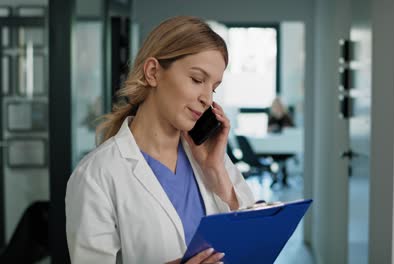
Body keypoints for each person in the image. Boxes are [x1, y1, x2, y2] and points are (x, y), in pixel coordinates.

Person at [65, 16, 255, 264]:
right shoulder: (96, 175)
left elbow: (250, 245)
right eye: (197, 80)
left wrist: (217, 173)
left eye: (214, 87)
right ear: (153, 72)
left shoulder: (210, 157)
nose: (207, 98)